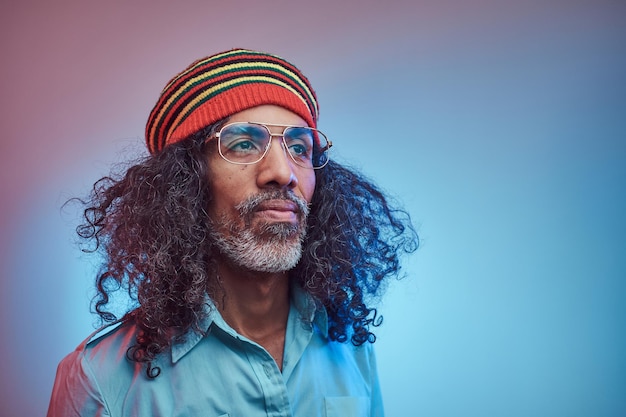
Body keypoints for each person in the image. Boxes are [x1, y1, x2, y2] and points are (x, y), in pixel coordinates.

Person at [47, 48, 418, 417]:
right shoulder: (99, 378)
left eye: (299, 148)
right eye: (243, 144)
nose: (283, 172)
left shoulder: (350, 346)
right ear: (185, 184)